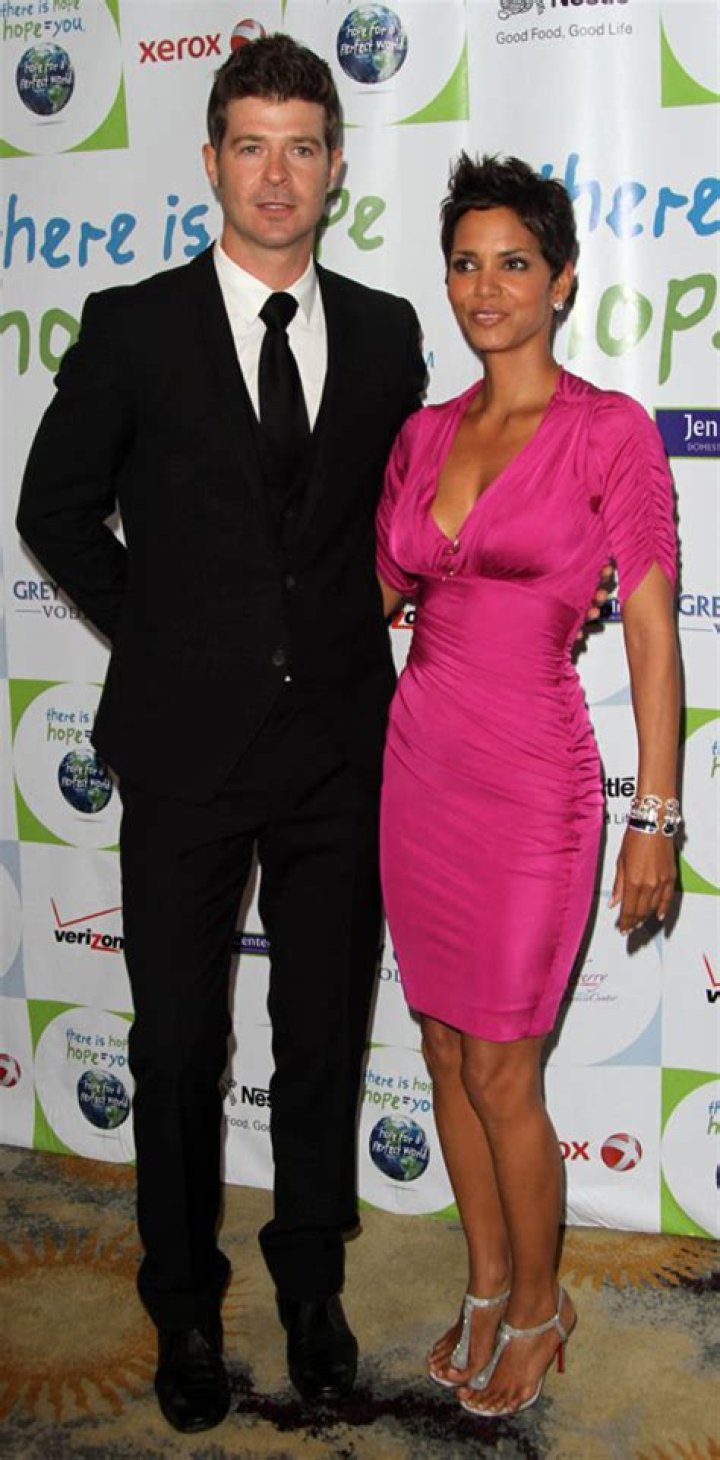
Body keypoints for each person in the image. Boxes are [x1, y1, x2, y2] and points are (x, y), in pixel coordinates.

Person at [16, 35, 427, 1433]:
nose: (276, 174)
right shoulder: (134, 324)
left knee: (321, 1034)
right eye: (252, 145)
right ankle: (183, 1306)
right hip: (187, 749)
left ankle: (312, 1285)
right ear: (211, 161)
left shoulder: (385, 332)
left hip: (339, 751)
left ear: (334, 167)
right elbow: (53, 507)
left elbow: (394, 524)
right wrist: (168, 638)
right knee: (179, 1043)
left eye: (302, 146)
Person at [376, 155, 680, 1420]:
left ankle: (544, 1307)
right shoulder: (422, 433)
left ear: (560, 281)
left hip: (533, 783)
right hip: (419, 764)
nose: (486, 286)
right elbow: (372, 596)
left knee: (503, 1066)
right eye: (465, 262)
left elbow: (652, 630)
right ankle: (488, 1279)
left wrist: (655, 814)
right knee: (443, 1049)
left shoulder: (610, 429)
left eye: (513, 262)